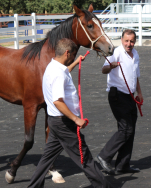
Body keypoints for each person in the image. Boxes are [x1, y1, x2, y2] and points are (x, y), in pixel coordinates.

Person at [27, 38, 112, 188]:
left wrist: (76, 62)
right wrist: (76, 119)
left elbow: (65, 72)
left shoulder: (53, 66)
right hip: (64, 122)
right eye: (73, 55)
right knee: (84, 157)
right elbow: (58, 101)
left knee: (47, 158)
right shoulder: (58, 74)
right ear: (67, 53)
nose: (73, 57)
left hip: (55, 121)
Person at [97, 29, 143, 175]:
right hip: (117, 95)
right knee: (125, 129)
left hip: (130, 96)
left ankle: (122, 165)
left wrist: (139, 92)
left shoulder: (135, 54)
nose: (129, 44)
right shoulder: (116, 52)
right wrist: (111, 66)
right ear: (122, 40)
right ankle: (104, 156)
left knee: (131, 130)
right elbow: (103, 70)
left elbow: (136, 76)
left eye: (132, 41)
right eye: (126, 41)